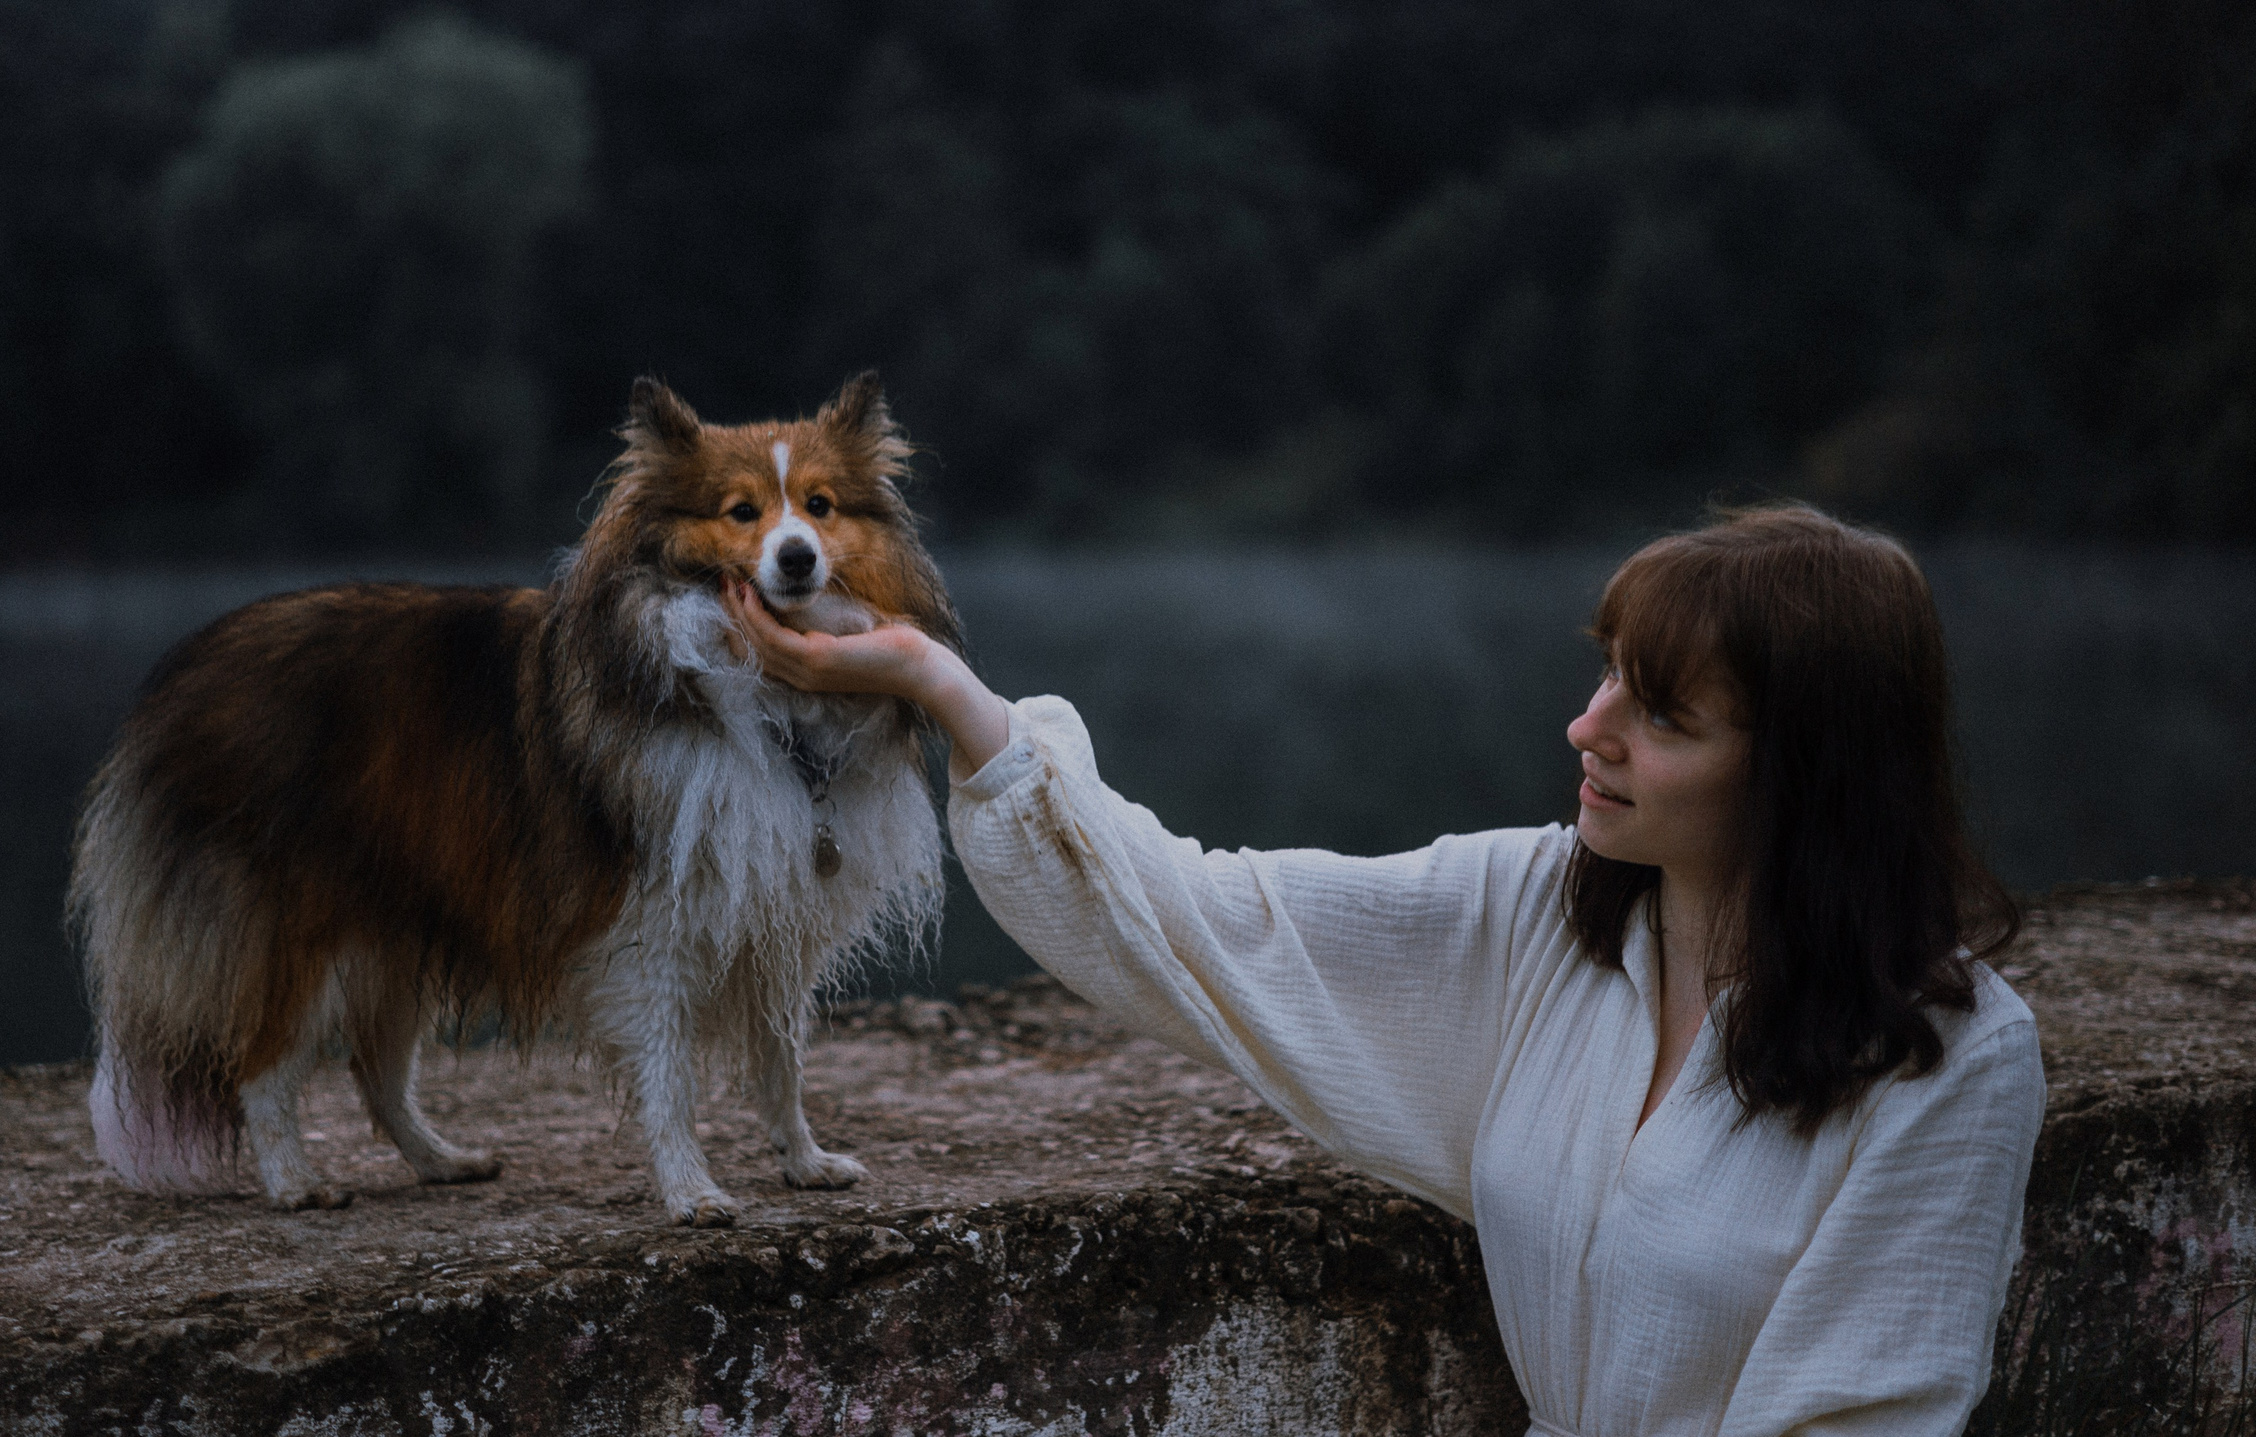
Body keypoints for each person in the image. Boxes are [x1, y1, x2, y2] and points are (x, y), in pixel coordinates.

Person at [725, 504, 2045, 1436]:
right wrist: (938, 684)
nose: (1589, 726)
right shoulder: (1546, 911)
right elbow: (1202, 918)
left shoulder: (1950, 1058)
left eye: (1665, 714)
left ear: (1808, 772)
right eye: (1606, 679)